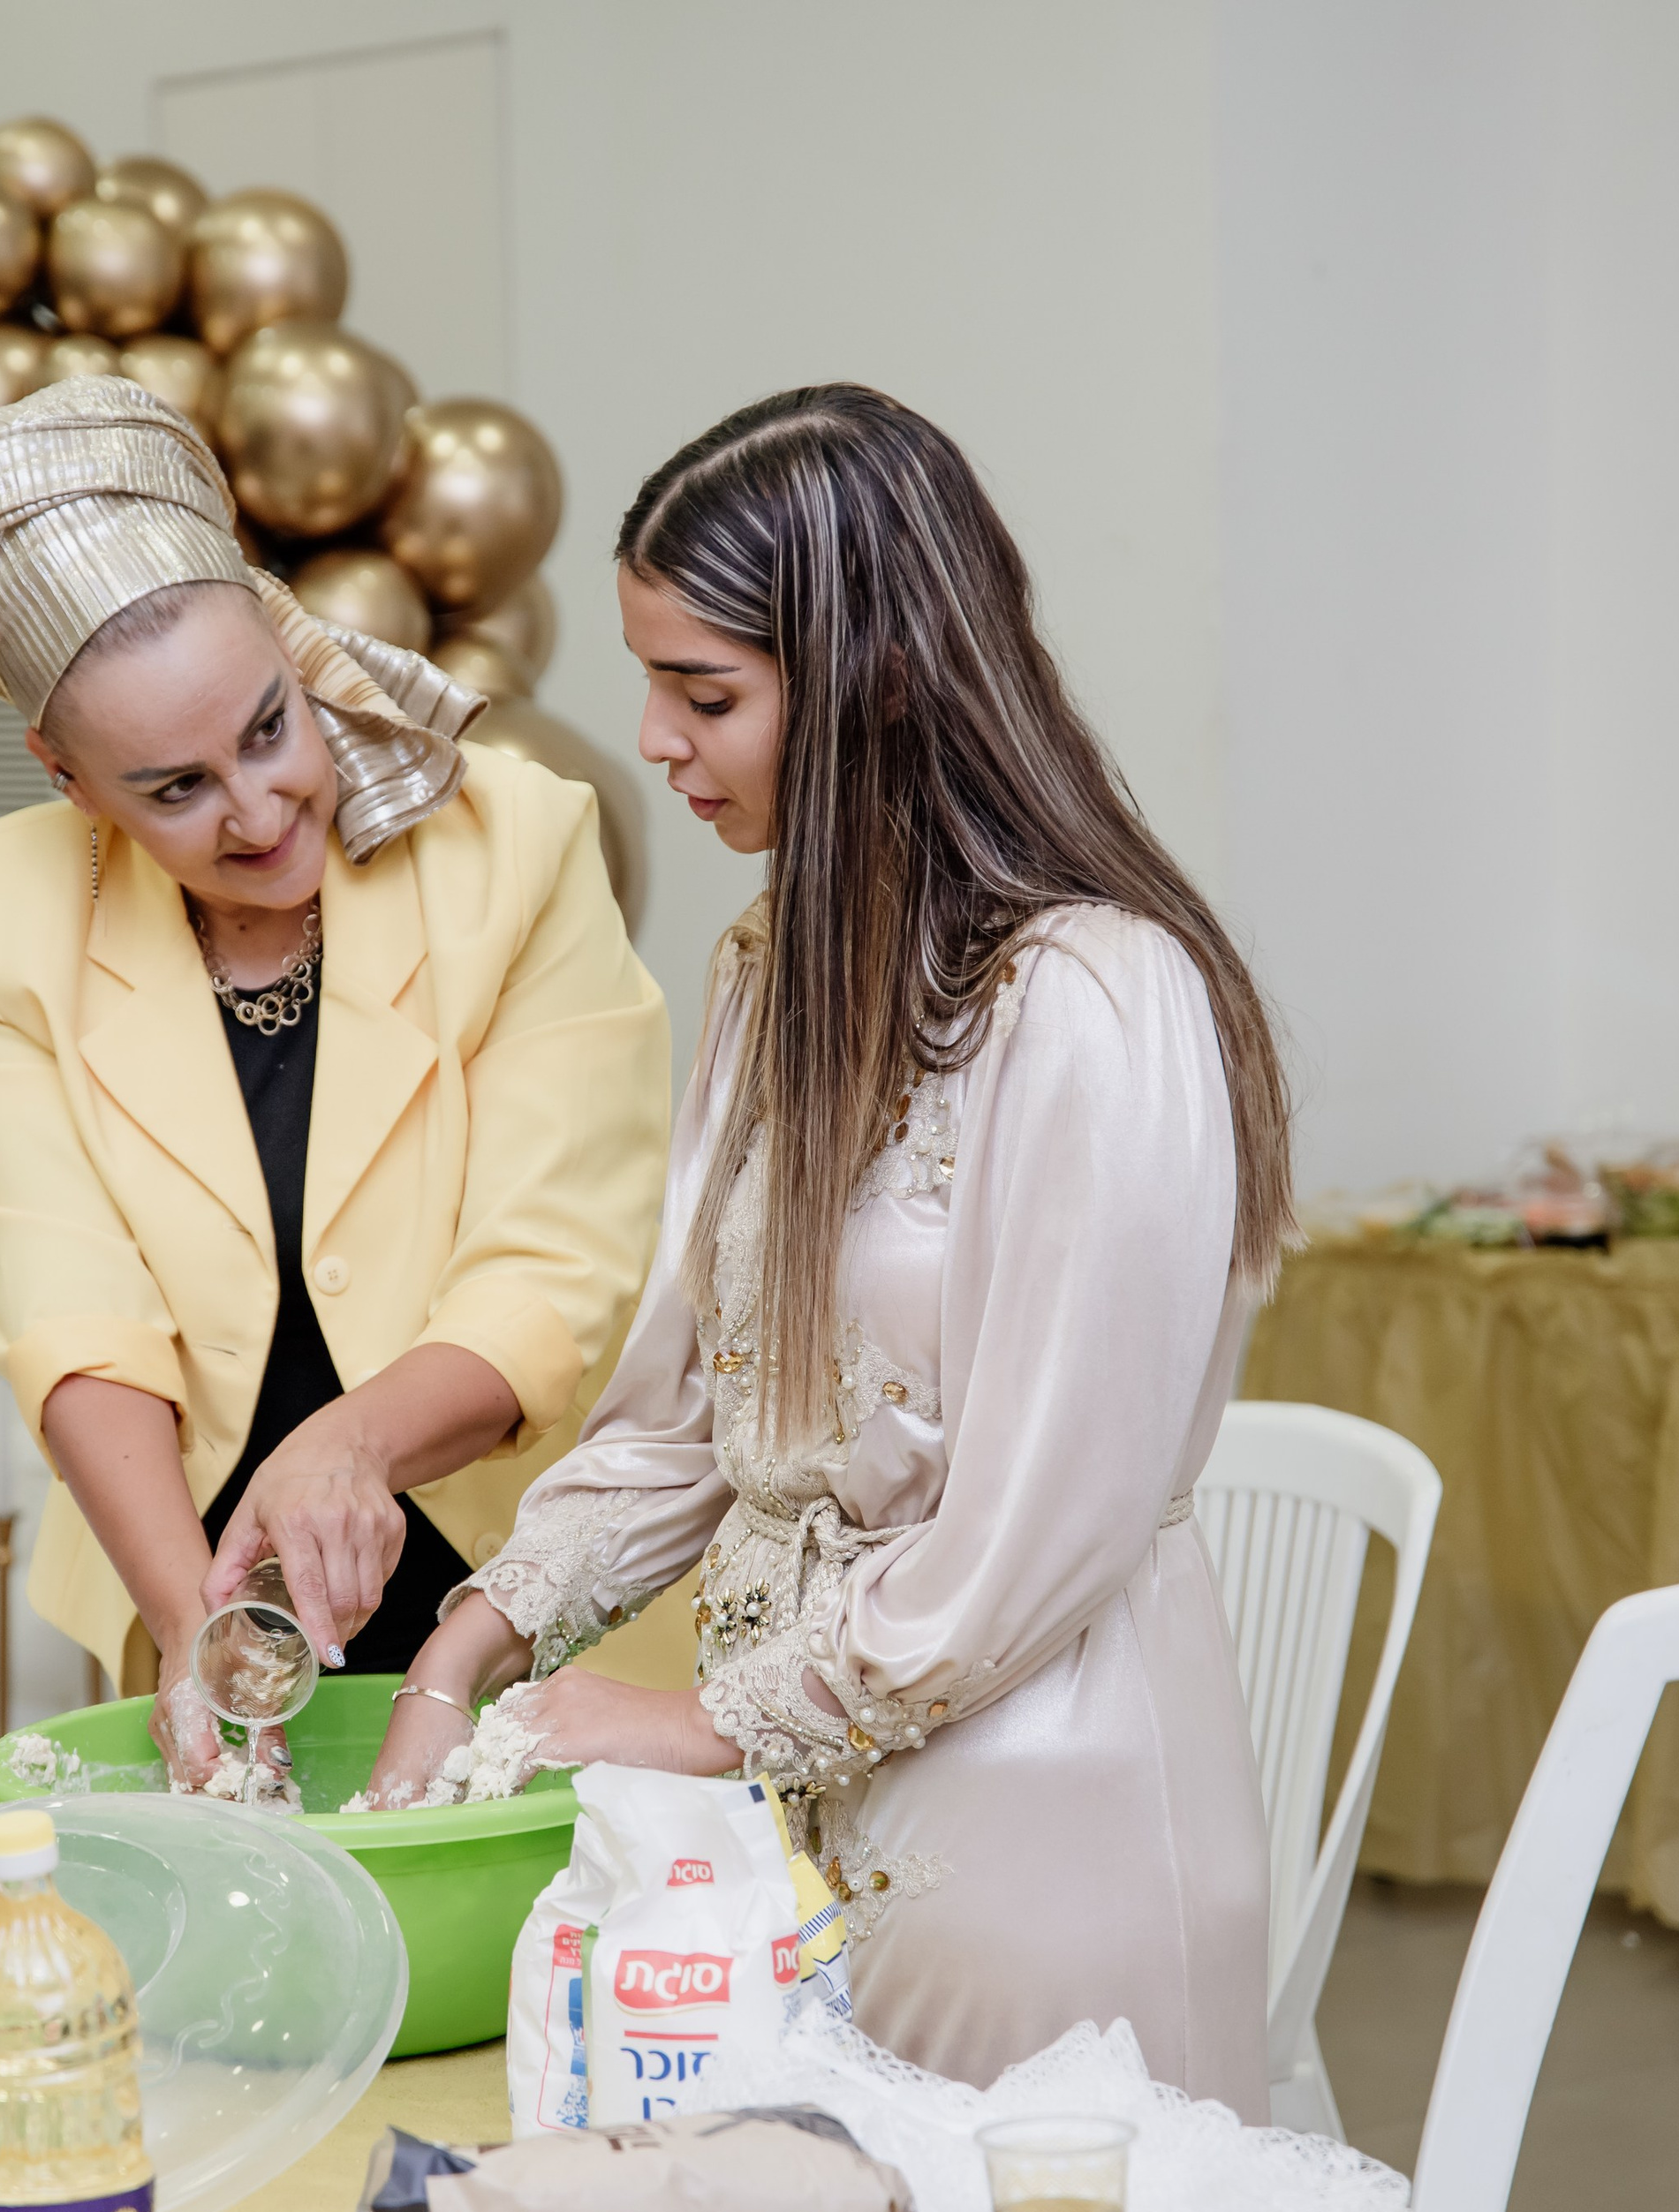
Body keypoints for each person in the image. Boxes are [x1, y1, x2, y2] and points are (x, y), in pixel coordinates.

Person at [372, 385, 1289, 2113]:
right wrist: (468, 1645)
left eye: (701, 691)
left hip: (1039, 1821)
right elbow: (682, 1415)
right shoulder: (764, 970)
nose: (649, 738)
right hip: (791, 1814)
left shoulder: (1096, 1000)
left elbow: (1031, 1535)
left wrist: (684, 1725)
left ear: (873, 678)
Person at [0, 376, 670, 1783]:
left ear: (295, 657)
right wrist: (197, 1636)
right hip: (191, 1574)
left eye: (268, 729)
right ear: (69, 779)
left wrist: (346, 1444)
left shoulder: (518, 847)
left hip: (529, 1585)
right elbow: (67, 1308)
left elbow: (556, 1269)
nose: (257, 815)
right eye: (173, 789)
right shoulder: (5, 905)